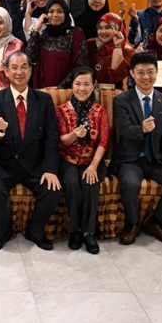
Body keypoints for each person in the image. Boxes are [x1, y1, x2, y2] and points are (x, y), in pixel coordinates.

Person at [0, 51, 62, 251]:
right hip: (4, 164)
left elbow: (52, 137)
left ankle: (35, 231)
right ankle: (3, 232)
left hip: (34, 164)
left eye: (24, 67)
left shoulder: (43, 100)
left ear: (30, 70)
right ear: (6, 72)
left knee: (52, 189)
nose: (19, 72)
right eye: (14, 68)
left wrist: (50, 169)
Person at [111, 52, 162, 246]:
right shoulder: (122, 100)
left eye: (150, 72)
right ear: (132, 74)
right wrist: (141, 130)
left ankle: (156, 222)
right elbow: (124, 129)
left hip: (156, 159)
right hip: (131, 158)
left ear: (157, 72)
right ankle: (132, 224)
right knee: (129, 185)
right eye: (140, 73)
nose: (146, 77)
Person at [56, 67, 109, 255]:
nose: (82, 88)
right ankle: (74, 231)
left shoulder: (100, 111)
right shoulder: (62, 110)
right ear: (72, 85)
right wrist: (73, 135)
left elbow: (103, 141)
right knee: (71, 183)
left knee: (90, 183)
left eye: (86, 84)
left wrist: (94, 166)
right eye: (78, 84)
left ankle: (89, 233)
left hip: (92, 160)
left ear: (93, 85)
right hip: (68, 159)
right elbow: (61, 141)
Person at [26, 0, 88, 89]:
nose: (55, 15)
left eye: (60, 11)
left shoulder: (76, 33)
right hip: (42, 90)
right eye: (51, 11)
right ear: (46, 14)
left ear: (66, 13)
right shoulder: (43, 34)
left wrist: (60, 87)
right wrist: (36, 29)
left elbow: (81, 65)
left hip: (67, 90)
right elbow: (29, 58)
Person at [86, 12, 134, 89]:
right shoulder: (90, 44)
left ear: (117, 29)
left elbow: (115, 77)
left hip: (112, 96)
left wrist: (117, 46)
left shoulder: (128, 52)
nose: (103, 32)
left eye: (108, 27)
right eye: (100, 28)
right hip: (88, 93)